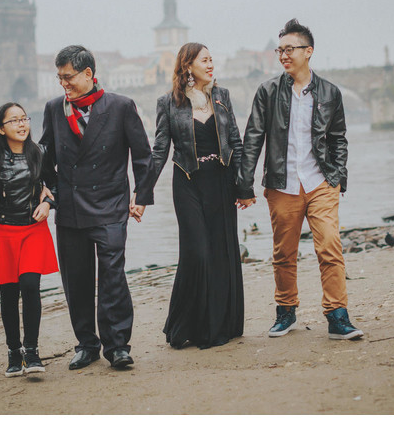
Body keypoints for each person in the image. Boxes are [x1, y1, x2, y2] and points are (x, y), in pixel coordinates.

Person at [236, 18, 363, 340]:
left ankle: (337, 316)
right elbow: (253, 138)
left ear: (309, 51)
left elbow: (338, 138)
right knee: (283, 253)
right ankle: (286, 311)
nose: (283, 55)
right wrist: (244, 184)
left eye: (289, 49)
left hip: (321, 182)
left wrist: (338, 178)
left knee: (330, 246)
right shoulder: (267, 92)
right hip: (282, 183)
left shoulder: (330, 93)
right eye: (280, 50)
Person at [39, 45, 155, 370]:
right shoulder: (53, 109)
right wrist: (49, 192)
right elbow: (45, 157)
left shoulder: (120, 107)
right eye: (59, 78)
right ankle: (86, 345)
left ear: (88, 74)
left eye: (68, 77)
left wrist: (141, 196)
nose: (63, 84)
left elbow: (143, 155)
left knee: (113, 276)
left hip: (111, 205)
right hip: (71, 208)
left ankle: (117, 346)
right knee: (76, 281)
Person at [151, 43, 244, 349]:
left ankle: (217, 326)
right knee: (198, 253)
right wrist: (141, 193)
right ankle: (184, 324)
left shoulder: (222, 96)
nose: (211, 64)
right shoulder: (168, 103)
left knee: (220, 252)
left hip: (221, 183)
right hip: (187, 182)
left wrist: (244, 186)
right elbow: (160, 151)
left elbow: (235, 142)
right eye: (205, 60)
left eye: (212, 59)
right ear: (188, 66)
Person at [0, 102, 59, 377]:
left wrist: (47, 203)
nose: (22, 124)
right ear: (0, 129)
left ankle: (32, 352)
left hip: (33, 229)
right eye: (14, 121)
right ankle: (14, 353)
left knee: (30, 285)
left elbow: (55, 183)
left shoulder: (39, 153)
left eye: (24, 118)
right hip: (3, 233)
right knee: (8, 294)